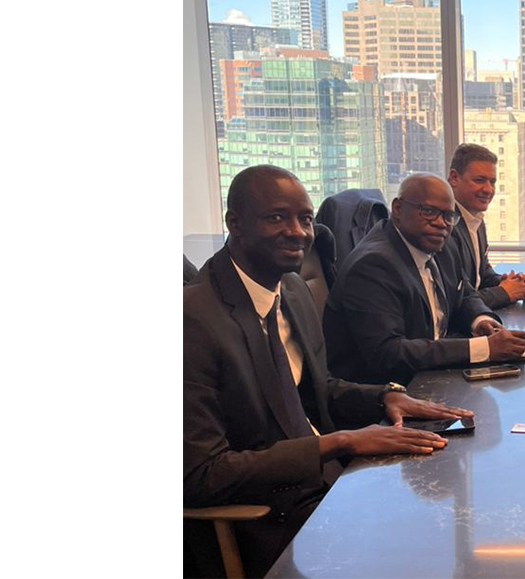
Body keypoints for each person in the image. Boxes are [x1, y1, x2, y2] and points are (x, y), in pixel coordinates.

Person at [184, 165, 474, 578]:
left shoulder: (292, 290)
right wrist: (339, 442)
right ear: (235, 223)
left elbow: (313, 390)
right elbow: (201, 474)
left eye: (305, 219)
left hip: (326, 486)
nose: (297, 232)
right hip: (265, 518)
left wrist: (386, 396)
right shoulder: (192, 320)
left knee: (449, 518)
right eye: (276, 218)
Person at [324, 174, 525, 386]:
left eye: (448, 216)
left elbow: (463, 293)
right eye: (429, 212)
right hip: (389, 391)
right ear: (397, 209)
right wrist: (483, 348)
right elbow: (389, 353)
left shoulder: (439, 244)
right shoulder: (374, 265)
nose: (441, 223)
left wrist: (481, 320)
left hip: (432, 373)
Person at [444, 143, 525, 309]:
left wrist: (509, 283)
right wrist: (504, 292)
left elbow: (482, 275)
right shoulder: (443, 226)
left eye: (492, 182)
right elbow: (453, 302)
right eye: (479, 180)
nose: (488, 189)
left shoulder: (475, 219)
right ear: (454, 178)